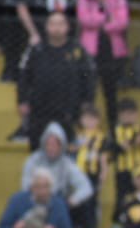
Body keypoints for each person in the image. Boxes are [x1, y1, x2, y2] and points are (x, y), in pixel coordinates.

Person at [17, 10, 94, 148]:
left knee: (68, 151)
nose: (57, 28)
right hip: (40, 111)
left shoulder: (77, 50)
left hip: (69, 111)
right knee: (37, 148)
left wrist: (87, 102)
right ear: (46, 27)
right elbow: (23, 76)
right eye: (52, 24)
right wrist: (22, 100)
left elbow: (88, 77)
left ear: (68, 27)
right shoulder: (37, 50)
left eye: (60, 24)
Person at [76, 0, 130, 126]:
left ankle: (112, 127)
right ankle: (85, 126)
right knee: (87, 92)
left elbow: (123, 22)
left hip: (112, 52)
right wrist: (106, 19)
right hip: (90, 51)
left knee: (110, 92)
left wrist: (100, 21)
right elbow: (84, 20)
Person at [22, 122, 95, 209]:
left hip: (58, 205)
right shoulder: (33, 160)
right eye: (48, 144)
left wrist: (72, 201)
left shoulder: (67, 164)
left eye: (55, 144)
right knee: (18, 199)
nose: (51, 148)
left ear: (62, 146)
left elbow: (86, 187)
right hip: (35, 201)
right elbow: (26, 186)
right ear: (43, 144)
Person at [0, 167, 73, 228]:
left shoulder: (59, 204)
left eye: (46, 187)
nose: (42, 191)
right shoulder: (17, 200)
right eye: (38, 187)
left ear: (51, 187)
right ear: (32, 187)